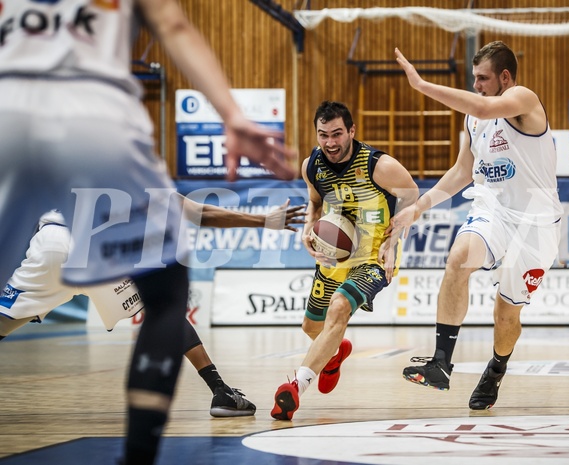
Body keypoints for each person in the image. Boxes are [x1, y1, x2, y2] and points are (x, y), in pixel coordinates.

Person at [0, 1, 296, 464]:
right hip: (100, 139)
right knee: (164, 300)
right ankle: (193, 412)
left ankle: (220, 391)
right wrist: (232, 116)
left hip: (40, 206)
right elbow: (175, 25)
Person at [0, 199, 305, 418]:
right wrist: (264, 220)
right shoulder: (132, 165)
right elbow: (199, 213)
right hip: (100, 249)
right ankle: (221, 392)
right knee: (165, 309)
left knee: (5, 320)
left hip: (53, 240)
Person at [391, 43, 563, 410]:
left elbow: (484, 105)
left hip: (536, 224)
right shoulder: (473, 119)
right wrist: (419, 206)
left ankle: (497, 367)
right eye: (474, 79)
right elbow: (461, 172)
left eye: (483, 78)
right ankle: (441, 362)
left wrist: (421, 85)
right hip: (493, 210)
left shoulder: (523, 98)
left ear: (504, 77)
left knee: (506, 315)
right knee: (459, 258)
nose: (476, 86)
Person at [270, 101, 419, 421]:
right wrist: (308, 229)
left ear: (351, 131)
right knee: (311, 326)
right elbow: (314, 203)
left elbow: (411, 195)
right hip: (335, 254)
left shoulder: (378, 165)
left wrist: (393, 242)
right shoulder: (312, 165)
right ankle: (335, 354)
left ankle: (295, 388)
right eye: (323, 135)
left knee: (339, 307)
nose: (330, 142)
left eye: (337, 134)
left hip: (373, 256)